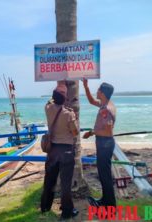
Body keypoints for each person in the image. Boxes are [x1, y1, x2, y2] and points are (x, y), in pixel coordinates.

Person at [40, 83, 79, 219]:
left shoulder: (48, 108)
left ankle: (45, 206)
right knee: (65, 184)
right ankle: (67, 212)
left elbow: (49, 102)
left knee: (49, 180)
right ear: (64, 99)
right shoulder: (68, 114)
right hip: (66, 150)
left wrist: (55, 99)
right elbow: (75, 133)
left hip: (53, 150)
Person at [82, 78, 117, 207]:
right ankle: (105, 201)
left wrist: (91, 133)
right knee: (103, 175)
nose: (96, 91)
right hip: (104, 143)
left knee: (105, 176)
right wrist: (86, 86)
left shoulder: (106, 109)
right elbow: (91, 101)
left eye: (98, 90)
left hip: (105, 143)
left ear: (102, 93)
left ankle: (110, 206)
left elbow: (108, 132)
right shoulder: (105, 104)